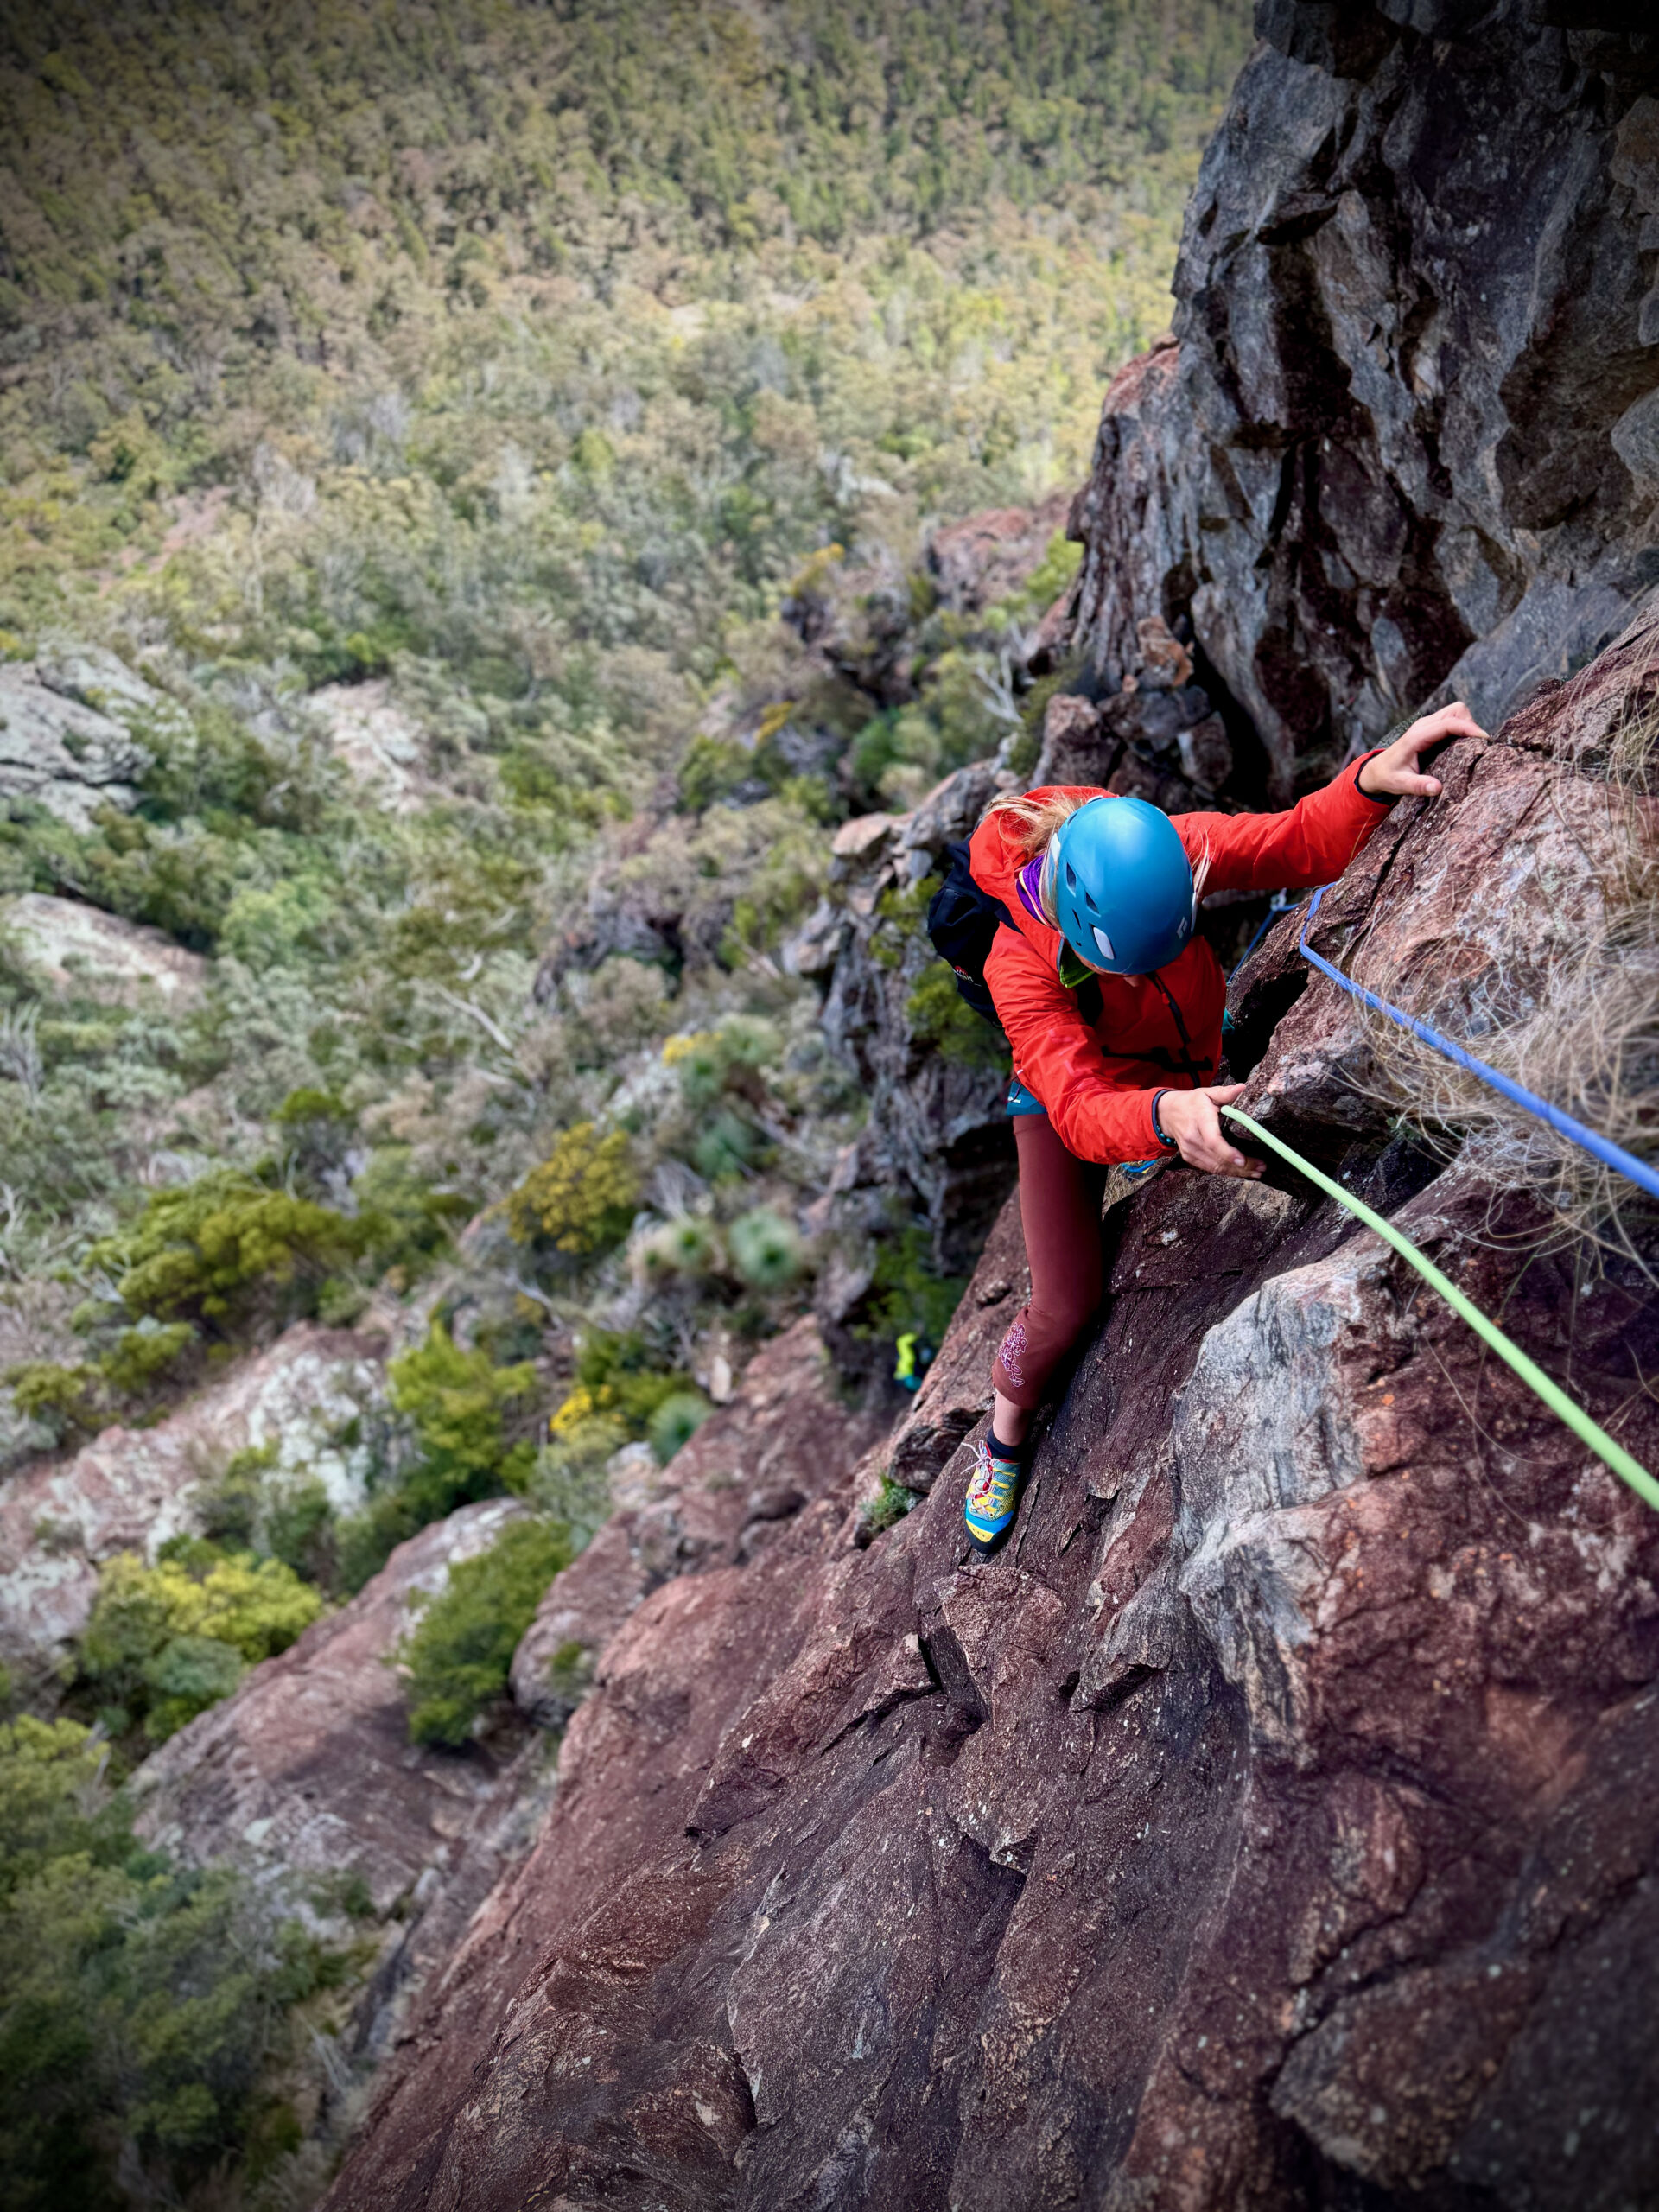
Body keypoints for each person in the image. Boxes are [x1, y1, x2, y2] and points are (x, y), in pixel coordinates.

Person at [961, 701, 1486, 1555]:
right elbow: (1081, 1107)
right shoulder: (1019, 966)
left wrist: (1369, 778)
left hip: (1181, 1059)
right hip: (1067, 1101)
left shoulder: (1157, 846)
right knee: (1064, 1305)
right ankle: (1003, 1432)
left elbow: (1291, 841)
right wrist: (1166, 1116)